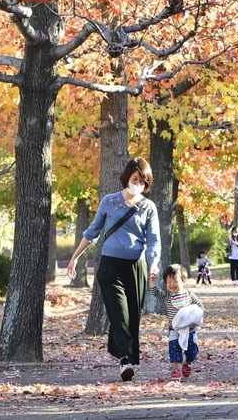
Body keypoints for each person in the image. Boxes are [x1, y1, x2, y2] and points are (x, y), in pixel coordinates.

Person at [67, 156, 161, 382]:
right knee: (119, 315)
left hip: (136, 267)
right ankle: (126, 361)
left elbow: (154, 240)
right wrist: (75, 257)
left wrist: (153, 264)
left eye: (143, 181)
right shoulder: (109, 202)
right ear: (126, 177)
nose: (138, 184)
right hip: (110, 267)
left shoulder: (148, 207)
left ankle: (123, 355)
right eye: (135, 179)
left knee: (132, 317)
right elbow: (92, 231)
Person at [153, 264, 204, 381]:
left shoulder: (189, 295)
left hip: (190, 330)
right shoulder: (167, 297)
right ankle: (175, 370)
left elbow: (200, 307)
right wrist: (152, 280)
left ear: (183, 281)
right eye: (168, 282)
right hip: (174, 330)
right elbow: (155, 292)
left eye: (175, 281)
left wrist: (196, 316)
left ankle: (188, 363)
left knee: (192, 352)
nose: (172, 284)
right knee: (174, 349)